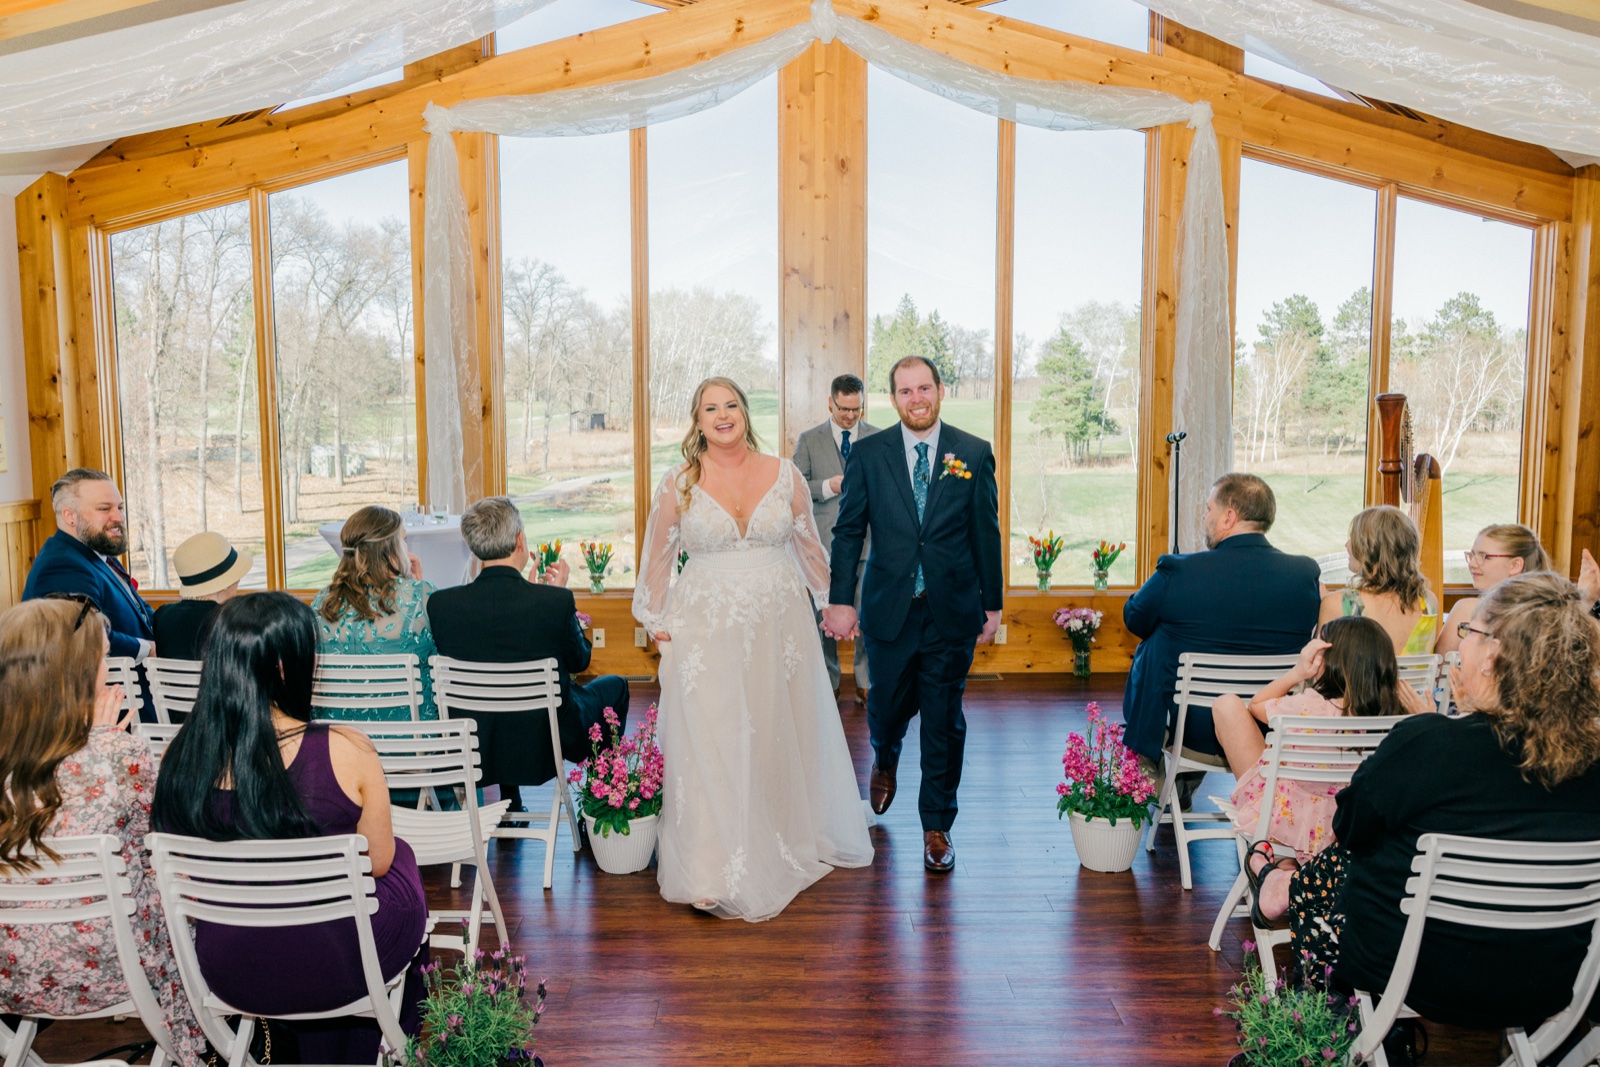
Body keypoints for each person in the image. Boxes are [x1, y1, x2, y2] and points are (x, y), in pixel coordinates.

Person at [1248, 573, 1600, 1030]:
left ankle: (1324, 1019)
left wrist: (1439, 727)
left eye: (1468, 631)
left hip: (1413, 970)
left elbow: (1350, 827)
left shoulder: (1429, 744)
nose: (1459, 645)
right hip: (1547, 980)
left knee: (1357, 855)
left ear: (1493, 657)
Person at [151, 593, 428, 1065]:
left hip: (229, 968)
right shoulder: (346, 750)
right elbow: (377, 862)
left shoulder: (179, 759)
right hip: (338, 967)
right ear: (284, 666)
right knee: (398, 855)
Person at [633, 376, 872, 921]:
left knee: (770, 731)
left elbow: (810, 548)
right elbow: (657, 560)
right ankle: (710, 864)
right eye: (710, 408)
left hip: (777, 627)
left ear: (745, 412)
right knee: (713, 736)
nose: (723, 415)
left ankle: (781, 835)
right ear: (697, 422)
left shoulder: (784, 474)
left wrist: (832, 604)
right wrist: (655, 619)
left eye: (732, 405)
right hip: (705, 627)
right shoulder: (679, 483)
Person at [0, 598, 206, 1067]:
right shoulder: (118, 757)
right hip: (114, 970)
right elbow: (171, 850)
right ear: (70, 679)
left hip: (10, 973)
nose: (108, 672)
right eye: (99, 661)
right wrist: (105, 742)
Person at [821, 355, 1004, 875]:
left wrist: (992, 604)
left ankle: (936, 826)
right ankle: (884, 753)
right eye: (905, 391)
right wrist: (840, 600)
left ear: (940, 391)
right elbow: (849, 530)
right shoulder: (870, 453)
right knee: (885, 705)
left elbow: (985, 532)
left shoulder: (972, 451)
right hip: (888, 608)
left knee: (944, 720)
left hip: (952, 609)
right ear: (894, 398)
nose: (916, 398)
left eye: (925, 388)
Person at [427, 495, 630, 811]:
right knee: (616, 687)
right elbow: (580, 660)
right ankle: (602, 800)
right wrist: (557, 596)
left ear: (473, 546)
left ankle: (511, 799)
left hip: (477, 744)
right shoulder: (553, 603)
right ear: (520, 541)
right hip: (545, 742)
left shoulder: (442, 606)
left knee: (499, 690)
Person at [1121, 473, 1322, 786]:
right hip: (1269, 723)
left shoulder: (1180, 570)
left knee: (1158, 637)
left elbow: (1134, 618)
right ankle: (1180, 781)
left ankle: (1149, 760)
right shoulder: (1304, 574)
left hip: (1196, 727)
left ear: (1229, 517)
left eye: (1208, 510)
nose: (1205, 518)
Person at [1213, 616, 1423, 863]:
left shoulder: (1308, 705)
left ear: (1327, 661)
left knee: (1226, 705)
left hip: (1288, 824)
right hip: (1354, 826)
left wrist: (1298, 672)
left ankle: (1283, 867)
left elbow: (1256, 705)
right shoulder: (1396, 715)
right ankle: (1292, 871)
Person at [792, 373, 879, 695]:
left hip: (870, 545)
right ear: (831, 402)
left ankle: (866, 684)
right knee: (823, 622)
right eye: (844, 409)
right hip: (822, 548)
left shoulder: (879, 438)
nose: (850, 415)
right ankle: (827, 687)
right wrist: (829, 486)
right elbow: (794, 488)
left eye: (857, 409)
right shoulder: (809, 440)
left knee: (868, 617)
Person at [312, 505, 438, 720]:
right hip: (412, 745)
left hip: (339, 744)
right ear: (391, 551)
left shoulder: (322, 602)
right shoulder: (420, 597)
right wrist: (416, 588)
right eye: (403, 540)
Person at [22, 468, 154, 665]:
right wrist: (148, 649)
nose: (119, 517)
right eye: (104, 509)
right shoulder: (61, 564)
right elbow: (83, 634)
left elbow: (140, 611)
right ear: (70, 517)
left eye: (119, 507)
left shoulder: (98, 550)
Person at [1318, 506, 1439, 655]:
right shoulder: (1429, 603)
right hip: (1415, 680)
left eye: (1353, 539)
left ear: (1370, 549)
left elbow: (1316, 668)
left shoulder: (1337, 604)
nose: (1347, 544)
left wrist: (1328, 602)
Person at [1436, 522, 1549, 654]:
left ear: (1515, 565)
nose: (1472, 563)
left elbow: (1440, 669)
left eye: (1484, 557)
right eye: (1472, 555)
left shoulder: (1468, 609)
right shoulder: (1550, 611)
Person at [152, 530, 254, 660]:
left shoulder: (162, 616)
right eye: (236, 576)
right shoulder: (230, 622)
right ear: (226, 583)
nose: (238, 581)